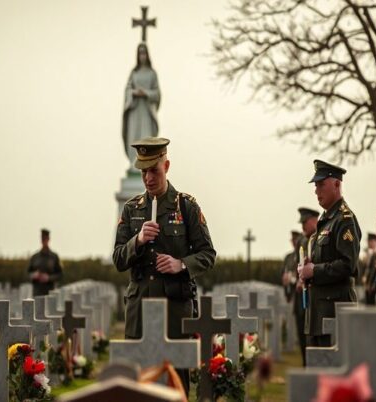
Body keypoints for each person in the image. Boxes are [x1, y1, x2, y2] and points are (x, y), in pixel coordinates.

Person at [113, 137, 216, 394]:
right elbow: (117, 258)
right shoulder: (131, 209)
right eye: (144, 171)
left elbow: (207, 254)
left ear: (166, 166)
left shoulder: (186, 206)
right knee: (138, 383)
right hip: (140, 310)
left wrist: (180, 264)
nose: (148, 178)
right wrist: (137, 241)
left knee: (175, 383)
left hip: (174, 311)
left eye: (154, 170)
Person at [297, 160, 361, 348]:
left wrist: (314, 271)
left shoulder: (344, 220)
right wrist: (306, 269)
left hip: (335, 312)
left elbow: (348, 265)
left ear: (337, 184)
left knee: (334, 374)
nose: (316, 191)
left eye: (321, 184)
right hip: (318, 312)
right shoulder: (325, 221)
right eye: (315, 185)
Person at [281, 207, 319, 364]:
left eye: (306, 222)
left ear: (315, 220)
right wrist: (295, 280)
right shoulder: (302, 241)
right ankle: (306, 365)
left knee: (314, 337)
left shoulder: (319, 237)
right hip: (300, 296)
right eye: (301, 223)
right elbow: (298, 265)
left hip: (315, 294)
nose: (303, 226)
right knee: (302, 333)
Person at [122, 43, 161, 163]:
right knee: (134, 138)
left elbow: (157, 93)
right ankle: (134, 163)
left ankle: (145, 163)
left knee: (146, 138)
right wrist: (134, 93)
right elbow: (128, 89)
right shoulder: (134, 73)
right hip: (135, 110)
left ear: (147, 55)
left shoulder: (152, 73)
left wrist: (146, 93)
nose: (142, 56)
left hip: (146, 111)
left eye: (144, 53)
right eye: (140, 53)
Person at [28, 229, 63, 297]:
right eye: (42, 238)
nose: (43, 240)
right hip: (37, 293)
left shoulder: (54, 257)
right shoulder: (35, 257)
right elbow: (27, 273)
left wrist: (49, 278)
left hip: (50, 293)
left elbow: (60, 274)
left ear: (48, 239)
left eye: (45, 238)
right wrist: (34, 275)